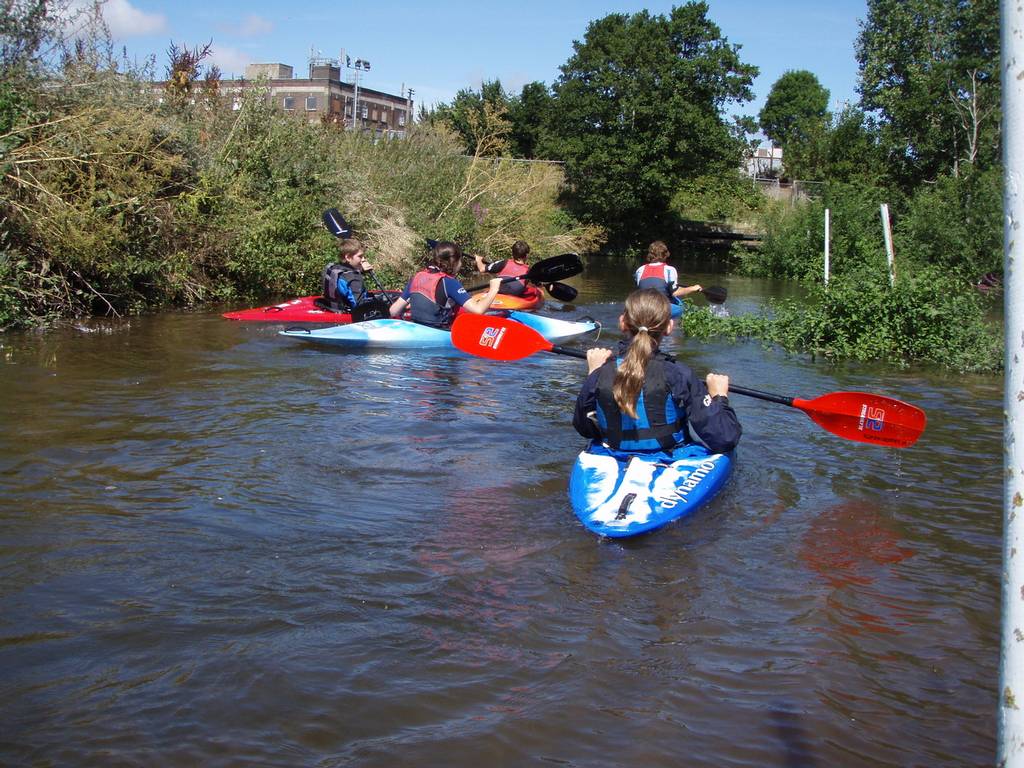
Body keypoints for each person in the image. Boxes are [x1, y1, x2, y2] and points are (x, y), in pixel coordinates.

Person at [573, 288, 741, 455]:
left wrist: (593, 373)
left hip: (613, 451)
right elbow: (724, 438)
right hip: (668, 456)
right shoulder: (679, 374)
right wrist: (719, 397)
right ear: (669, 327)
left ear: (622, 322)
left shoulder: (600, 374)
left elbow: (585, 428)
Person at [389, 241, 502, 327]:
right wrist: (493, 289)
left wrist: (415, 303)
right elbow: (478, 310)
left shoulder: (417, 277)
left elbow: (393, 311)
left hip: (417, 326)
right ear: (455, 262)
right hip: (437, 331)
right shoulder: (449, 282)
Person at [634, 240, 703, 302]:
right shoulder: (670, 270)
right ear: (666, 255)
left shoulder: (640, 269)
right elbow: (675, 292)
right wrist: (693, 288)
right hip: (659, 309)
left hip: (642, 307)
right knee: (679, 304)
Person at [322, 238, 375, 311]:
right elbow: (361, 308)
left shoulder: (334, 268)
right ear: (348, 257)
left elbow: (345, 278)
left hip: (333, 308)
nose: (363, 259)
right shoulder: (354, 278)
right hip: (348, 314)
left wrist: (361, 271)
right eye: (360, 256)